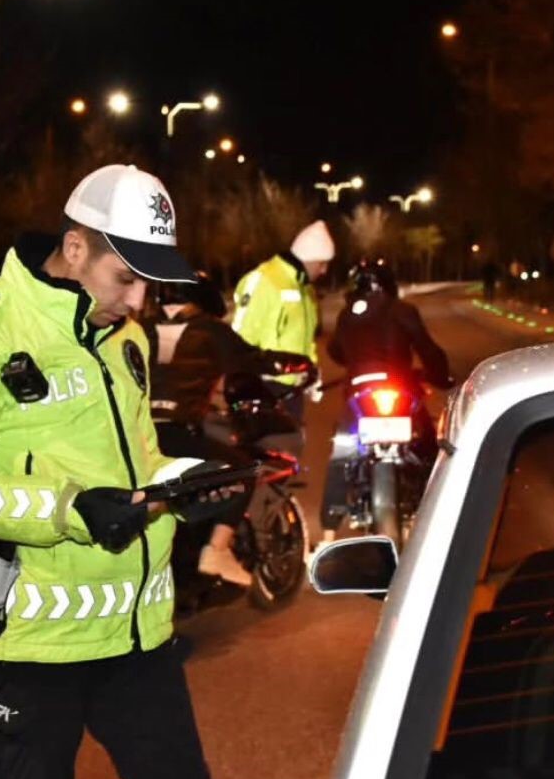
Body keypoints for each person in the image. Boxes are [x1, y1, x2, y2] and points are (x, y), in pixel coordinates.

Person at [0, 164, 243, 779]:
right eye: (126, 278)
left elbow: (140, 460)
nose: (137, 301)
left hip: (138, 637)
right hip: (27, 647)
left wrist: (186, 483)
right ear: (76, 248)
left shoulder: (127, 339)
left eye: (148, 283)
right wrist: (69, 509)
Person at [143, 271, 315, 587]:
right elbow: (256, 360)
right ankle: (217, 551)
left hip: (136, 436)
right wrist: (299, 365)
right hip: (177, 433)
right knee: (243, 471)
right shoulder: (210, 331)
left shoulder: (139, 329)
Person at [320, 258, 453, 545]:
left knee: (342, 451)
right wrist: (441, 378)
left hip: (360, 394)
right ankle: (443, 510)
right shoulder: (403, 310)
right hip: (401, 389)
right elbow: (428, 350)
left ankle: (327, 535)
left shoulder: (347, 315)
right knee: (430, 448)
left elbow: (336, 352)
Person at [231, 219, 334, 426]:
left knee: (292, 443)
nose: (324, 271)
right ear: (310, 259)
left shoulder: (305, 289)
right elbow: (240, 335)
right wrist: (249, 379)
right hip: (263, 389)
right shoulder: (264, 280)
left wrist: (311, 370)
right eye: (322, 264)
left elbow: (304, 338)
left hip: (291, 390)